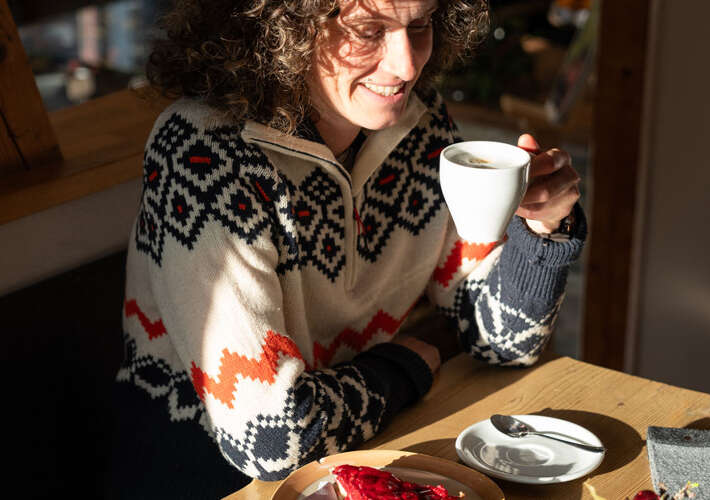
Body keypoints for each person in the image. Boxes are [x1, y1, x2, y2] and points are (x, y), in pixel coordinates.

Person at [108, 0, 586, 498]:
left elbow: (501, 339)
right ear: (284, 26)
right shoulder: (204, 152)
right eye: (367, 29)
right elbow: (272, 438)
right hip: (205, 478)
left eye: (419, 25)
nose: (406, 65)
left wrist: (543, 233)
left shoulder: (418, 126)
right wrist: (404, 366)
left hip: (356, 461)